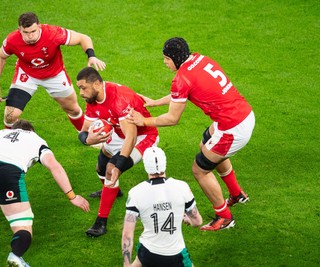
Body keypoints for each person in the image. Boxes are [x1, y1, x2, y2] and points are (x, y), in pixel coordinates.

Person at [127, 37, 255, 231]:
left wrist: (143, 121)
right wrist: (154, 102)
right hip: (241, 114)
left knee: (200, 169)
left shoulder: (181, 78)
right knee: (206, 145)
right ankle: (237, 195)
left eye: (166, 58)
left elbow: (172, 118)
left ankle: (224, 217)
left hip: (232, 128)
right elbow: (183, 92)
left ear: (175, 58)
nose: (164, 62)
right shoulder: (200, 59)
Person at [0, 119, 90, 267]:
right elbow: (54, 166)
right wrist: (72, 196)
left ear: (14, 129)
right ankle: (15, 256)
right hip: (8, 175)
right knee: (23, 227)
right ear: (32, 131)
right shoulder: (37, 140)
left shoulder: (2, 133)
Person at [76, 67, 159, 237]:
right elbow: (83, 130)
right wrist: (87, 139)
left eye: (83, 88)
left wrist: (118, 167)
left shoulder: (120, 99)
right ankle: (113, 189)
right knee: (101, 166)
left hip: (143, 136)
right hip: (118, 132)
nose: (81, 93)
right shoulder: (92, 98)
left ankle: (101, 222)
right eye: (79, 88)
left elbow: (131, 137)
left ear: (97, 84)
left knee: (111, 169)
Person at [0, 12, 106, 131]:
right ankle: (7, 140)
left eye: (33, 31)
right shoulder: (12, 40)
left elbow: (83, 38)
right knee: (10, 115)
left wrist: (91, 56)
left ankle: (86, 136)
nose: (30, 36)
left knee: (73, 109)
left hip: (54, 75)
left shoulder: (53, 34)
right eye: (25, 32)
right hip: (27, 75)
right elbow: (0, 56)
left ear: (39, 26)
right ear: (19, 30)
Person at [122, 147, 202, 267]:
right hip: (175, 255)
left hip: (147, 252)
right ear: (165, 164)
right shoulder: (182, 187)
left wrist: (126, 265)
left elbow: (127, 234)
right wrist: (186, 218)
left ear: (146, 166)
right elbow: (197, 221)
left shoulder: (135, 192)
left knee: (138, 262)